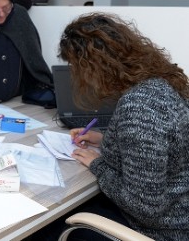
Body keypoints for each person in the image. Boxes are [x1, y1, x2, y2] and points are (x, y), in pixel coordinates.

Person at [35, 12, 189, 240]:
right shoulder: (159, 84)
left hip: (159, 230)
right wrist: (104, 139)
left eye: (76, 67)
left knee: (46, 228)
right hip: (179, 213)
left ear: (93, 67)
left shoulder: (139, 107)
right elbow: (156, 151)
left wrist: (97, 164)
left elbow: (145, 207)